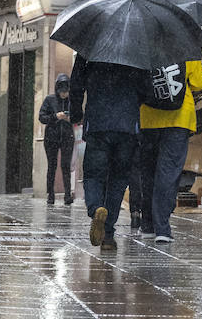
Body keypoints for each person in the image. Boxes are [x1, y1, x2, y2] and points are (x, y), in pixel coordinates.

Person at [68, 56, 152, 250]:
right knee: (118, 178)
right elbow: (147, 91)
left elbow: (76, 84)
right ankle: (107, 235)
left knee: (93, 175)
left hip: (98, 123)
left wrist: (76, 113)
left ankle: (96, 208)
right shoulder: (136, 50)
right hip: (127, 126)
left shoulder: (91, 49)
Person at [138, 60, 202, 243]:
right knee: (168, 173)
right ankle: (162, 228)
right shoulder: (186, 48)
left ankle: (147, 224)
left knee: (148, 172)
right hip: (178, 119)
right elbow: (199, 83)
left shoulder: (145, 45)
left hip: (148, 117)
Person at [38, 73, 77, 205]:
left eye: (66, 92)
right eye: (61, 92)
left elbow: (79, 117)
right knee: (52, 166)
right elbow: (42, 117)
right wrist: (55, 116)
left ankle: (67, 195)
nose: (64, 95)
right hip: (51, 137)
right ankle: (50, 195)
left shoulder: (72, 101)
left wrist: (69, 118)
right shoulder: (49, 100)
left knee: (66, 166)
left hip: (67, 136)